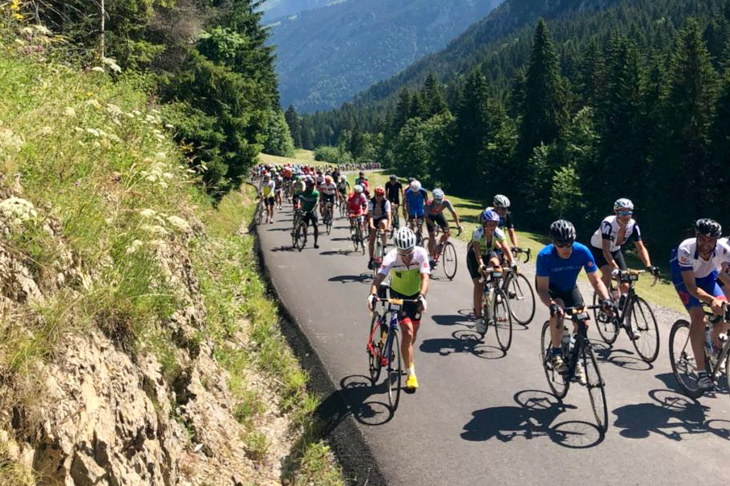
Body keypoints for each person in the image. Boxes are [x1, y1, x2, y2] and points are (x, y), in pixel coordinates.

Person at [536, 220, 614, 384]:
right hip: (551, 290)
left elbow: (596, 281)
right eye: (561, 244)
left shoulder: (582, 251)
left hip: (570, 288)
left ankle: (574, 356)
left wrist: (606, 300)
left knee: (583, 323)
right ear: (553, 242)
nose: (566, 248)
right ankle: (555, 353)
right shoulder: (544, 256)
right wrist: (552, 305)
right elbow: (542, 289)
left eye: (569, 243)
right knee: (559, 310)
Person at [670, 218, 730, 391]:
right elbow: (691, 286)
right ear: (696, 236)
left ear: (717, 240)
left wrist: (719, 303)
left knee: (726, 311)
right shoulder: (685, 248)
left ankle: (714, 345)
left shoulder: (724, 250)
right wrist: (711, 301)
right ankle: (701, 372)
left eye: (711, 240)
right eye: (702, 238)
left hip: (707, 276)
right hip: (684, 278)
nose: (706, 243)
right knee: (698, 318)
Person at [368, 227, 429, 391]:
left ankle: (406, 353)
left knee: (412, 335)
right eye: (403, 253)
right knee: (407, 332)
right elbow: (378, 279)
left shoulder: (421, 253)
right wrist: (372, 294)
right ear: (398, 250)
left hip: (415, 296)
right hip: (398, 296)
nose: (407, 256)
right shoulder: (391, 257)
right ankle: (411, 374)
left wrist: (422, 296)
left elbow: (425, 278)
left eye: (409, 252)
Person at [589, 198, 659, 305]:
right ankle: (603, 299)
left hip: (616, 250)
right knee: (607, 273)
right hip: (599, 249)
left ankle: (621, 304)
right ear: (616, 212)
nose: (626, 215)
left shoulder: (633, 225)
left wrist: (649, 266)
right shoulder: (608, 223)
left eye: (628, 212)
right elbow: (606, 250)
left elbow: (640, 247)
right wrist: (615, 268)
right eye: (622, 212)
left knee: (625, 282)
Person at [467, 209, 516, 333]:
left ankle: (494, 288)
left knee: (496, 264)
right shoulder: (477, 232)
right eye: (489, 224)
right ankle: (478, 318)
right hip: (474, 257)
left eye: (494, 224)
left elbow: (505, 248)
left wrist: (513, 262)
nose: (492, 227)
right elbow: (477, 252)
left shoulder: (498, 233)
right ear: (484, 224)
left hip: (489, 254)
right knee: (478, 285)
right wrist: (481, 265)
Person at [424, 188, 462, 266]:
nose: (439, 202)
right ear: (434, 199)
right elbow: (426, 217)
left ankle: (440, 244)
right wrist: (434, 226)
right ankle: (431, 257)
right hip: (430, 217)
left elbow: (453, 213)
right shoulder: (428, 204)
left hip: (439, 215)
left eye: (440, 200)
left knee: (447, 232)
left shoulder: (446, 202)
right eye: (437, 200)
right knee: (432, 236)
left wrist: (458, 225)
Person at [367, 187, 392, 269]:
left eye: (381, 195)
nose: (379, 197)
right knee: (371, 241)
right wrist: (371, 225)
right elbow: (370, 215)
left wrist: (388, 226)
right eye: (377, 195)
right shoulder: (371, 201)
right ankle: (371, 259)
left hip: (382, 217)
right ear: (375, 195)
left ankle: (384, 246)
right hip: (373, 219)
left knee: (383, 223)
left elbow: (389, 216)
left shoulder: (386, 202)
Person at [297, 177, 320, 249]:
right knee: (305, 225)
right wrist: (299, 206)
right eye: (311, 185)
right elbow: (299, 200)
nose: (313, 186)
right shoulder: (304, 193)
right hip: (305, 210)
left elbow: (317, 202)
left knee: (316, 226)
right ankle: (305, 238)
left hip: (312, 211)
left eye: (313, 185)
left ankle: (315, 242)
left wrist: (313, 209)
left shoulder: (316, 193)